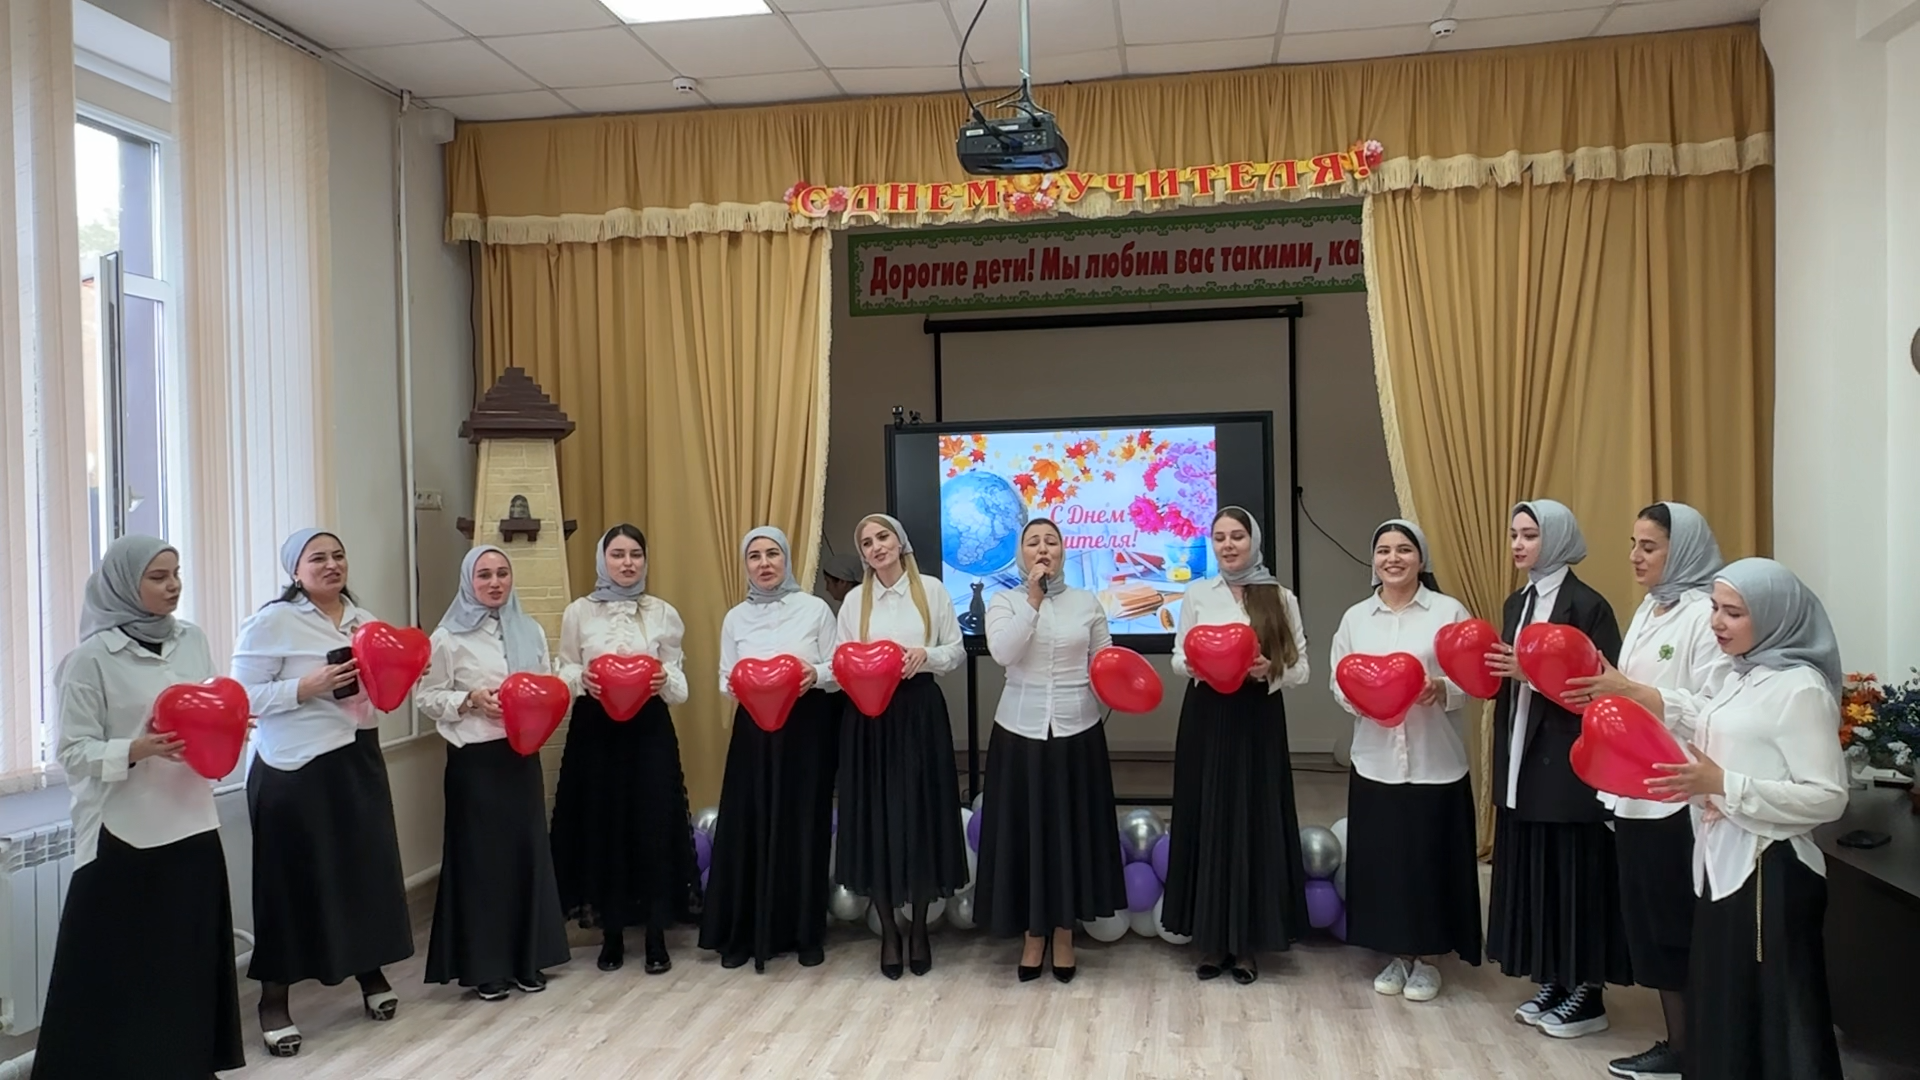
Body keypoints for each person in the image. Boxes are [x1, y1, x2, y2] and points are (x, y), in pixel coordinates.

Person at [31, 536, 244, 1079]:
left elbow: (206, 708)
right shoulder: (88, 660)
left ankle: (188, 1065)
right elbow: (72, 753)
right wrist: (137, 748)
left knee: (187, 962)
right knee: (121, 970)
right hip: (123, 834)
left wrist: (229, 726)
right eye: (158, 577)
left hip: (192, 823)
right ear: (125, 585)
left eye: (176, 573)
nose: (173, 586)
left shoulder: (192, 640)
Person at [1646, 558, 1846, 1080]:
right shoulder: (1741, 675)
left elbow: (1827, 798)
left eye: (1733, 613)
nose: (1717, 622)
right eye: (1715, 608)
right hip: (1722, 864)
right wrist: (1707, 786)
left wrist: (1724, 786)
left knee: (1774, 1021)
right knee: (1724, 1009)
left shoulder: (1800, 689)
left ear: (1774, 615)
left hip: (1770, 874)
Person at [232, 528, 412, 1058]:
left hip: (356, 758)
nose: (331, 565)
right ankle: (274, 1001)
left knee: (364, 873)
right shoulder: (272, 622)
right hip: (293, 768)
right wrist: (305, 687)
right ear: (295, 570)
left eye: (338, 556)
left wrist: (402, 674)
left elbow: (383, 690)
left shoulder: (365, 620)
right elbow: (240, 697)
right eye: (318, 558)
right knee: (287, 886)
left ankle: (369, 972)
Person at [1563, 502, 1727, 1079]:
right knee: (1651, 927)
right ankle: (1677, 1044)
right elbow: (1625, 692)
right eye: (1633, 544)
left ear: (1682, 551)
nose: (1635, 556)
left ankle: (1698, 1050)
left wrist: (1635, 693)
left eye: (1649, 546)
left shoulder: (1706, 616)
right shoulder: (1651, 609)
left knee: (1678, 926)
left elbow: (1717, 711)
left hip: (1679, 796)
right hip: (1632, 791)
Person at [1483, 500, 1629, 1039]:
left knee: (1574, 876)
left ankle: (1587, 991)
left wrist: (1529, 673)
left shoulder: (1589, 606)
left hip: (1568, 763)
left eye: (1530, 535)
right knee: (1539, 873)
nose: (1518, 545)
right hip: (1522, 755)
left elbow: (1604, 691)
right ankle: (1554, 977)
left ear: (1560, 539)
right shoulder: (1517, 601)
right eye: (1514, 535)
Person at [1328, 519, 1482, 1004]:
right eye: (1383, 550)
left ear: (1421, 558)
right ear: (1373, 560)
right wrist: (1367, 699)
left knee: (1429, 861)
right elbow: (1338, 682)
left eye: (1403, 550)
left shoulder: (1447, 611)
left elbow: (1472, 680)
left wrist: (1442, 689)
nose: (1392, 559)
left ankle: (1430, 958)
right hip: (1376, 762)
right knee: (1386, 863)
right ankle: (1395, 953)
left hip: (1435, 761)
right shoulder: (1356, 618)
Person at [1161, 506, 1310, 984]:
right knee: (1207, 815)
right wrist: (1198, 666)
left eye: (1237, 536)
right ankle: (1210, 939)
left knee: (1252, 818)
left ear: (1254, 541)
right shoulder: (1197, 594)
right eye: (1220, 537)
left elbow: (1302, 667)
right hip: (1207, 715)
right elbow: (1178, 657)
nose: (1228, 545)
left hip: (1256, 717)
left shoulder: (1279, 597)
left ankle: (1246, 943)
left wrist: (1270, 670)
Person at [974, 518, 1128, 983]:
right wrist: (1033, 599)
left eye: (1051, 542)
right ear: (1021, 554)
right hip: (1019, 732)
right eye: (1033, 542)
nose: (1043, 549)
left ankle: (1064, 932)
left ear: (1063, 550)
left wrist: (1115, 690)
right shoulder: (1005, 601)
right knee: (1026, 836)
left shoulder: (1087, 602)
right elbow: (1004, 652)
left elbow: (1104, 662)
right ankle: (1032, 933)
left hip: (1077, 732)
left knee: (1069, 835)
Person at [415, 546, 570, 1001]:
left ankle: (527, 959)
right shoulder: (447, 637)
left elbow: (546, 684)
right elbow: (426, 697)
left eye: (503, 573)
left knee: (525, 856)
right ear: (469, 581)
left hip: (521, 757)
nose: (495, 582)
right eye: (484, 575)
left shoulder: (530, 630)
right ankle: (487, 966)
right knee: (483, 863)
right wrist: (469, 700)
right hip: (476, 762)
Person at [549, 524, 698, 975]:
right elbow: (564, 668)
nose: (627, 563)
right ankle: (611, 934)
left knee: (652, 825)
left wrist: (664, 679)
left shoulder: (662, 612)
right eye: (617, 554)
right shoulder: (578, 612)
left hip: (649, 731)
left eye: (635, 554)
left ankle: (655, 935)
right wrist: (581, 679)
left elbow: (680, 682)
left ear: (645, 560)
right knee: (603, 824)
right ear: (603, 559)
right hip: (596, 732)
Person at [700, 527, 841, 972]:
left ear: (787, 560)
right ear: (746, 565)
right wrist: (754, 681)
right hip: (754, 731)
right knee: (749, 822)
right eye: (755, 556)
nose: (764, 563)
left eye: (773, 554)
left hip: (805, 727)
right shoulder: (735, 618)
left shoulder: (815, 609)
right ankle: (744, 933)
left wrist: (812, 674)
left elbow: (837, 669)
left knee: (803, 823)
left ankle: (805, 933)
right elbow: (724, 678)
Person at [834, 513, 969, 979]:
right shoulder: (854, 602)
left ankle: (919, 929)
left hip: (919, 712)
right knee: (877, 817)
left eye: (883, 537)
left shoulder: (931, 590)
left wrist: (924, 655)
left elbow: (956, 650)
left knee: (921, 814)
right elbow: (838, 664)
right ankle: (889, 931)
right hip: (870, 718)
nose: (876, 547)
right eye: (867, 542)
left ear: (900, 541)